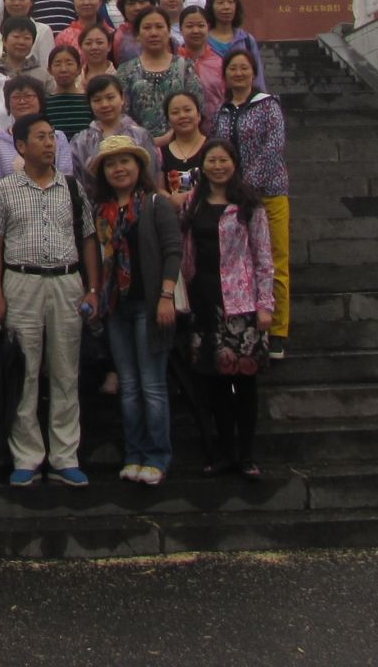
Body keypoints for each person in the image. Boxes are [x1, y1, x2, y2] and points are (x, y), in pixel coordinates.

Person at [0, 114, 103, 487]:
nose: (49, 143)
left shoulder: (72, 187)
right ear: (21, 146)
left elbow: (88, 239)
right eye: (40, 137)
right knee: (25, 371)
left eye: (52, 137)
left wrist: (93, 288)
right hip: (21, 281)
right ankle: (27, 456)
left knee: (66, 371)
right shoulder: (3, 189)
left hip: (67, 282)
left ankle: (65, 456)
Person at [87, 134, 182, 486]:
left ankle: (157, 455)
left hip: (150, 303)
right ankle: (134, 452)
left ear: (138, 166)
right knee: (128, 385)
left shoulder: (156, 203)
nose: (118, 169)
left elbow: (173, 250)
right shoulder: (102, 211)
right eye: (111, 164)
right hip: (116, 307)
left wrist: (167, 295)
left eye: (124, 161)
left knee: (152, 384)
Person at [180, 138, 276, 479]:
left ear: (234, 163)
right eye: (211, 160)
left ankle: (247, 455)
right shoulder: (193, 202)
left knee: (244, 381)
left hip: (242, 301)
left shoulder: (248, 204)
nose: (217, 166)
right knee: (214, 382)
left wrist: (266, 305)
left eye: (223, 160)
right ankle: (224, 453)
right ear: (203, 165)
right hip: (204, 300)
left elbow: (263, 257)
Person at [212, 48, 290, 359]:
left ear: (253, 72)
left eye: (244, 68)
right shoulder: (222, 112)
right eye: (233, 69)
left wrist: (248, 185)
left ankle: (279, 330)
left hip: (269, 192)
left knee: (275, 259)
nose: (239, 73)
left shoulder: (268, 105)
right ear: (225, 75)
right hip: (233, 197)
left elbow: (273, 147)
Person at [116, 8, 204, 141]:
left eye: (159, 27)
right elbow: (120, 115)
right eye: (147, 27)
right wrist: (147, 140)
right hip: (138, 146)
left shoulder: (185, 66)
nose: (153, 33)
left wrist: (170, 137)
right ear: (138, 34)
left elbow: (198, 106)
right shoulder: (125, 70)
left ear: (169, 32)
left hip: (180, 144)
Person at [70, 73, 153, 179]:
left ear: (122, 98)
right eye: (97, 100)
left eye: (110, 97)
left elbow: (152, 175)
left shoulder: (141, 136)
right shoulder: (81, 141)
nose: (104, 104)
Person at [0, 76, 47, 185]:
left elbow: (64, 177)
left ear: (40, 100)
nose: (22, 101)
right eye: (16, 97)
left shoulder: (56, 137)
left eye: (28, 96)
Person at [205, 0, 267, 89]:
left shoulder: (246, 40)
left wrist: (261, 97)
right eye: (220, 3)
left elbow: (258, 77)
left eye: (230, 2)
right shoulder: (203, 41)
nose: (226, 7)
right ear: (211, 7)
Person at [156, 89, 210, 196]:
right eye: (175, 112)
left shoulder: (213, 147)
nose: (182, 116)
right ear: (168, 121)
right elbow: (159, 188)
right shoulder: (161, 153)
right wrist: (171, 200)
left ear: (199, 115)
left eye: (187, 110)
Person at [179, 6, 227, 123]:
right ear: (181, 29)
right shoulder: (173, 62)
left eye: (201, 26)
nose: (195, 31)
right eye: (189, 26)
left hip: (217, 125)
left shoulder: (220, 62)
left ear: (208, 28)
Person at [42, 44, 92, 139]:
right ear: (49, 70)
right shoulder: (44, 104)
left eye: (69, 63)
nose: (63, 69)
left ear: (79, 69)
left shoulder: (89, 101)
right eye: (57, 64)